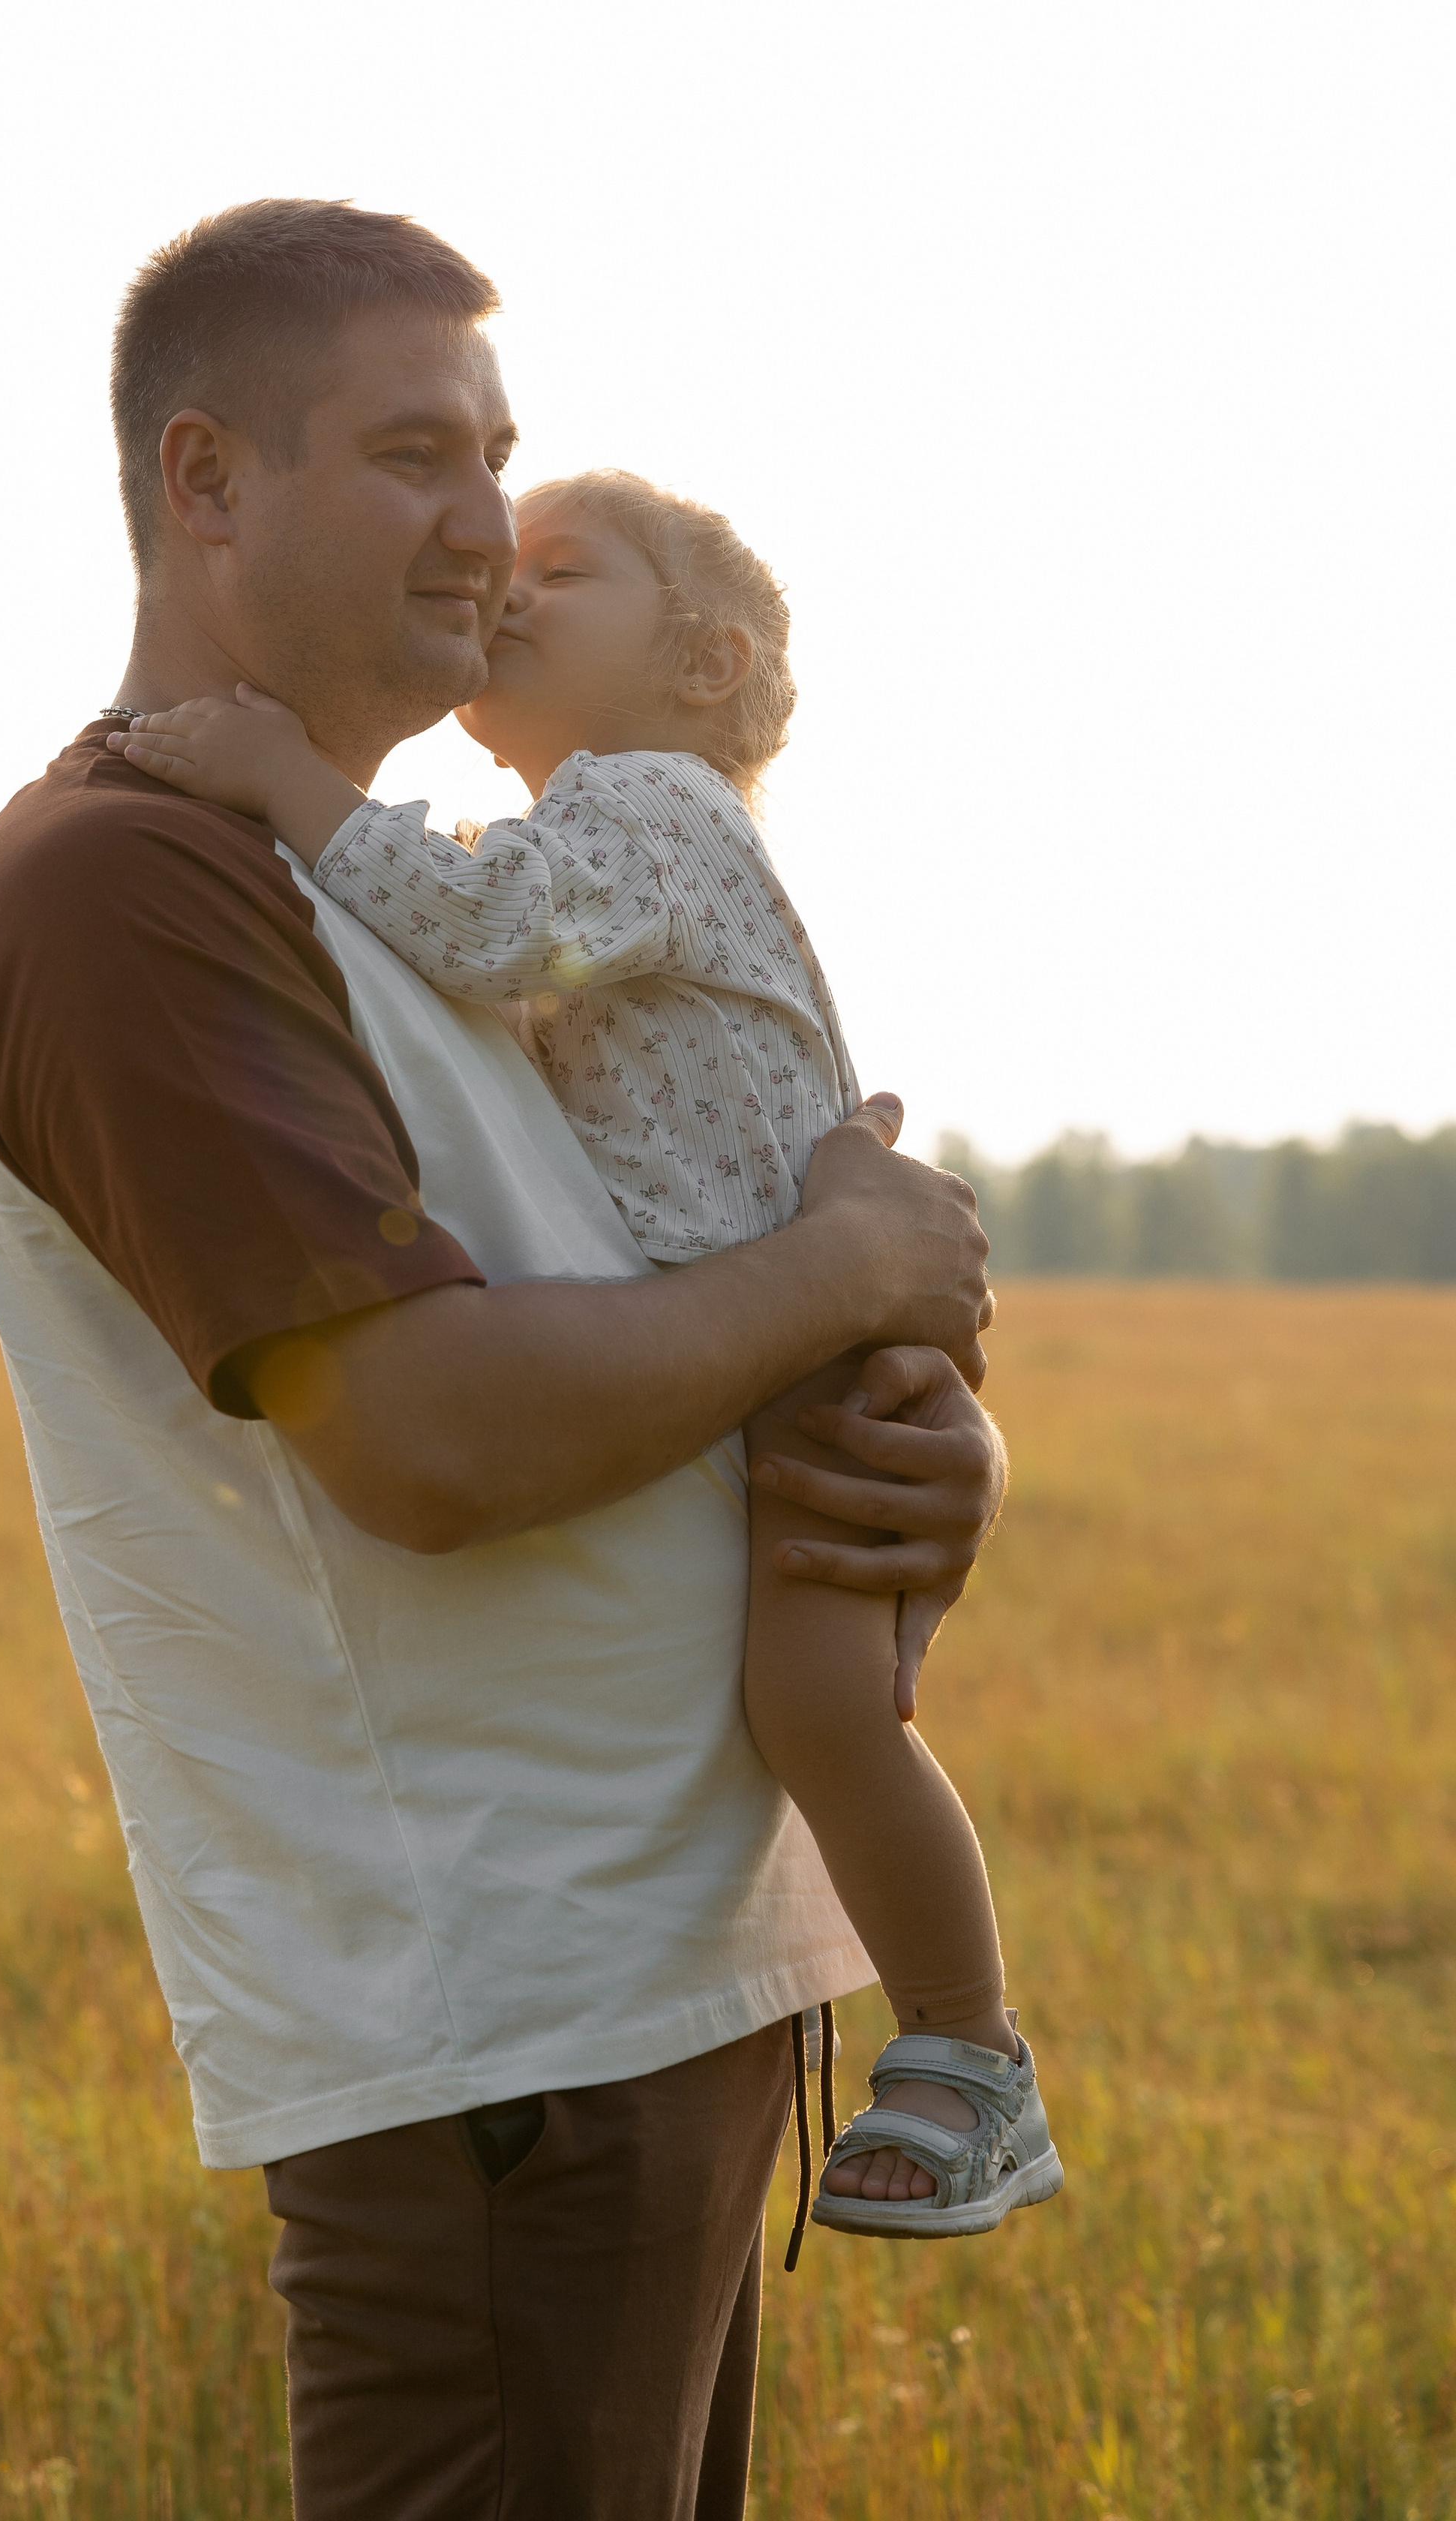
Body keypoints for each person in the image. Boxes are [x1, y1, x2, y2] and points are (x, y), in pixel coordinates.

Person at [0, 197, 1006, 2518]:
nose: (483, 526)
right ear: (205, 481)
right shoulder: (128, 884)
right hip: (498, 2040)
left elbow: (613, 1277)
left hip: (657, 1992)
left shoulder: (403, 883)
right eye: (417, 452)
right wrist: (845, 1277)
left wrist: (911, 1452)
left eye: (501, 456)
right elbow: (426, 1441)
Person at [111, 470, 1062, 2243]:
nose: (511, 589)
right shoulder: (601, 830)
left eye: (565, 570)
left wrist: (279, 779)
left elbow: (489, 932)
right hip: (778, 1343)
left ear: (701, 662)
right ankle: (954, 2046)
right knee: (817, 1702)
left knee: (827, 1710)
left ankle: (966, 2054)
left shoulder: (652, 805)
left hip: (797, 1359)